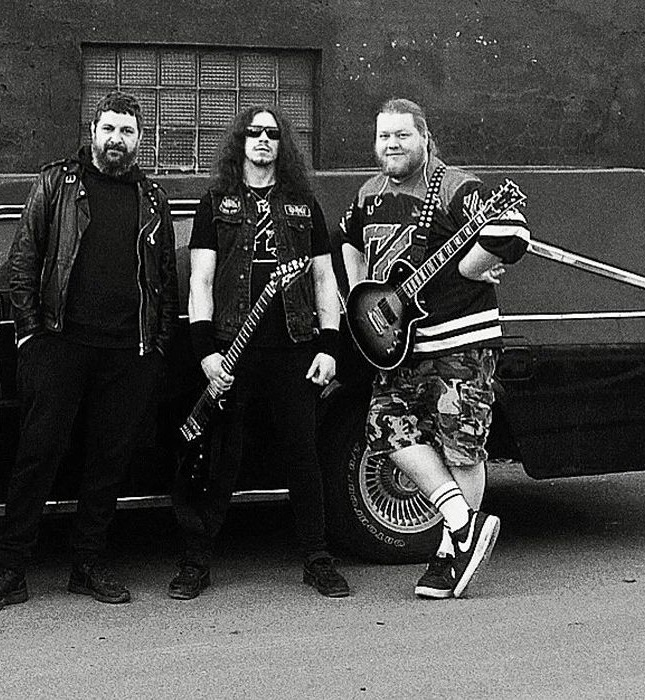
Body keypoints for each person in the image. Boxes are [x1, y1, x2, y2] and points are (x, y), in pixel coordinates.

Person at [0, 91, 178, 613]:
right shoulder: (57, 184)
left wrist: (156, 350)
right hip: (60, 344)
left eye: (127, 131)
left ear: (140, 139)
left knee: (107, 463)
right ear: (93, 132)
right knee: (36, 459)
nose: (116, 139)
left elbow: (165, 281)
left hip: (128, 352)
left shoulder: (153, 199)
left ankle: (88, 564)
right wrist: (31, 337)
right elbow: (24, 260)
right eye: (109, 129)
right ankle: (11, 570)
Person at [340, 98, 529, 598]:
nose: (392, 145)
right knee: (385, 429)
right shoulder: (369, 193)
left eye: (402, 135)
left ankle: (450, 556)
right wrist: (359, 295)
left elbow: (511, 229)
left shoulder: (454, 186)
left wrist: (470, 267)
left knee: (460, 448)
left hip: (461, 344)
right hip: (399, 348)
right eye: (384, 136)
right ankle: (464, 522)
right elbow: (348, 240)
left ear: (424, 138)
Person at [168, 106, 349, 600]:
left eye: (272, 133)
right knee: (219, 458)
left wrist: (329, 346)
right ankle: (196, 561)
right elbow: (200, 281)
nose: (264, 140)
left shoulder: (303, 204)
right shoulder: (215, 203)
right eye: (254, 133)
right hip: (233, 349)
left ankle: (318, 558)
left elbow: (325, 279)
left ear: (282, 143)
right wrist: (205, 352)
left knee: (303, 454)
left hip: (294, 347)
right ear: (241, 142)